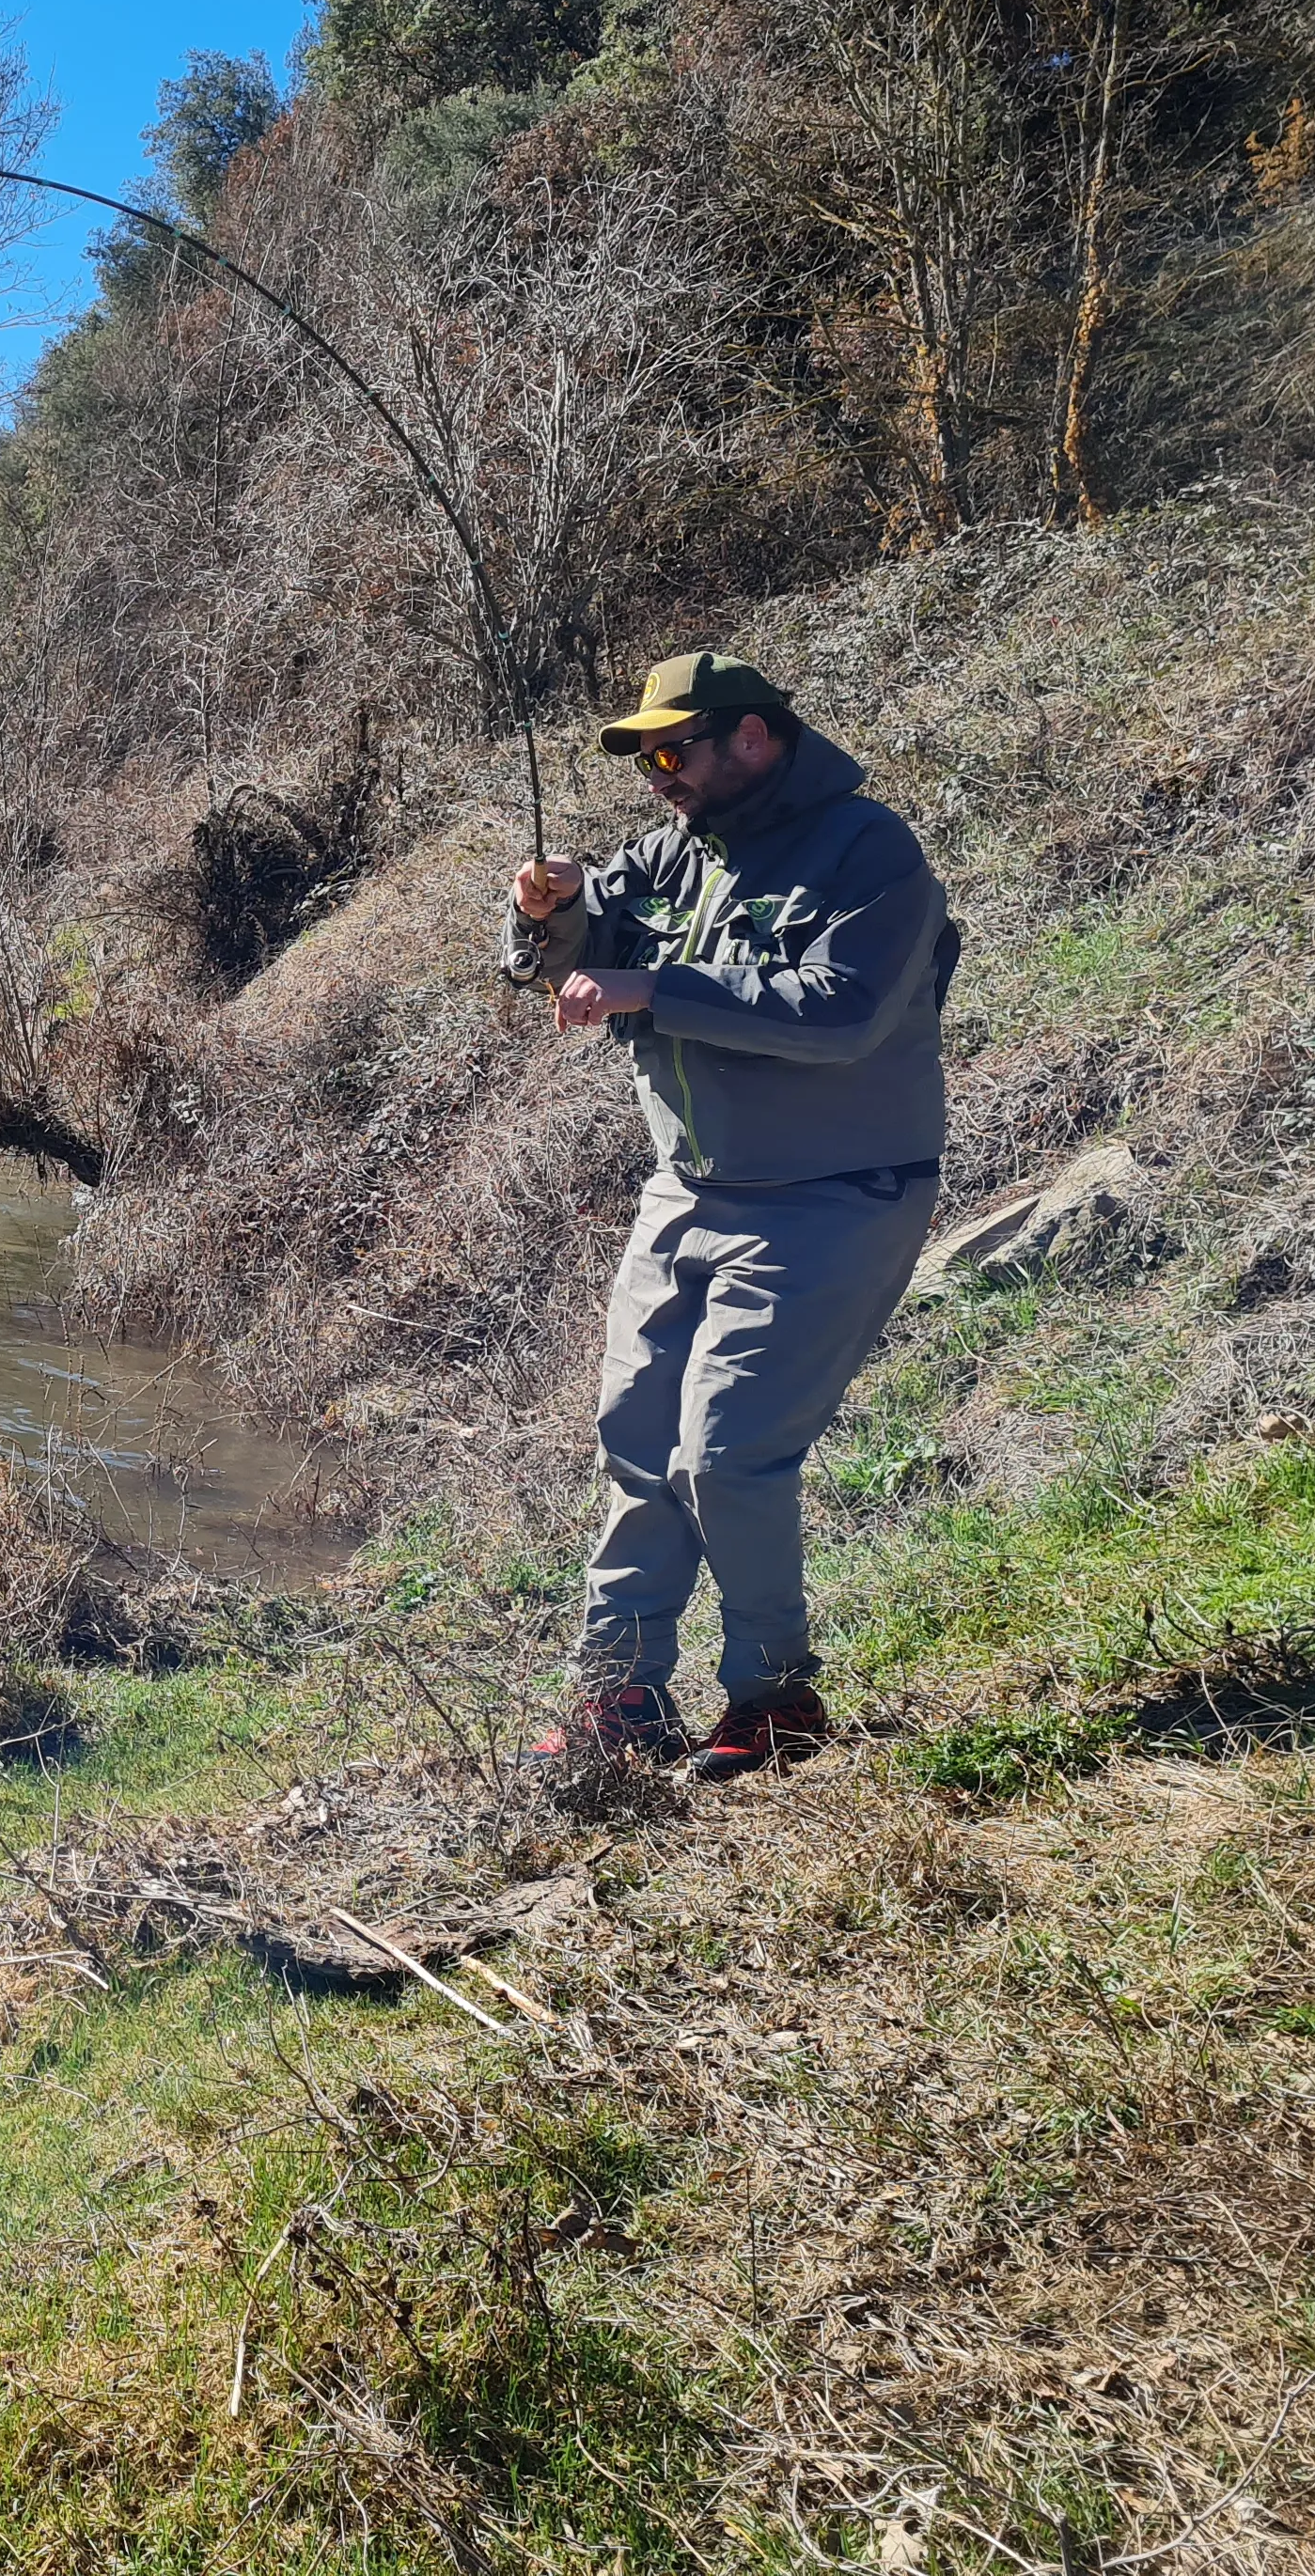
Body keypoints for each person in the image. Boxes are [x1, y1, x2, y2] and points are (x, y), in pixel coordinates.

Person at [505, 650, 957, 1783]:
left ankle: (774, 1699)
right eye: (645, 758)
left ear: (753, 738)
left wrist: (657, 986)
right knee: (639, 1449)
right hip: (687, 1189)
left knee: (727, 1457)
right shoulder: (668, 854)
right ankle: (620, 1699)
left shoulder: (870, 854)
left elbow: (843, 1013)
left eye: (673, 751)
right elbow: (572, 949)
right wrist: (547, 910)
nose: (657, 777)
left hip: (832, 1197)